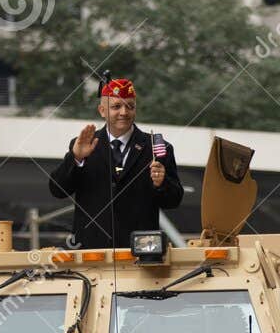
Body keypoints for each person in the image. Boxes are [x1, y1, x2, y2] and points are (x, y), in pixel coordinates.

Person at [47, 77, 184, 248]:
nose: (124, 112)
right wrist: (76, 158)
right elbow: (57, 190)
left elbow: (174, 200)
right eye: (116, 106)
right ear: (102, 110)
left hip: (141, 249)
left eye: (130, 106)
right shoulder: (84, 143)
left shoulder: (157, 148)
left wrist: (161, 183)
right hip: (92, 250)